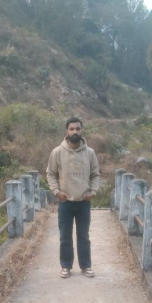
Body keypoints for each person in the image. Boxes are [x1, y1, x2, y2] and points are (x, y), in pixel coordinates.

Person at [46, 117, 101, 278]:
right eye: (71, 129)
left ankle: (85, 266)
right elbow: (51, 174)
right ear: (67, 131)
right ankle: (66, 266)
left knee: (84, 236)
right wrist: (56, 191)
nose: (74, 131)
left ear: (81, 130)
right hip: (65, 202)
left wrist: (93, 192)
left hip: (84, 202)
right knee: (65, 236)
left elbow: (95, 175)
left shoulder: (90, 153)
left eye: (77, 128)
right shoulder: (57, 152)